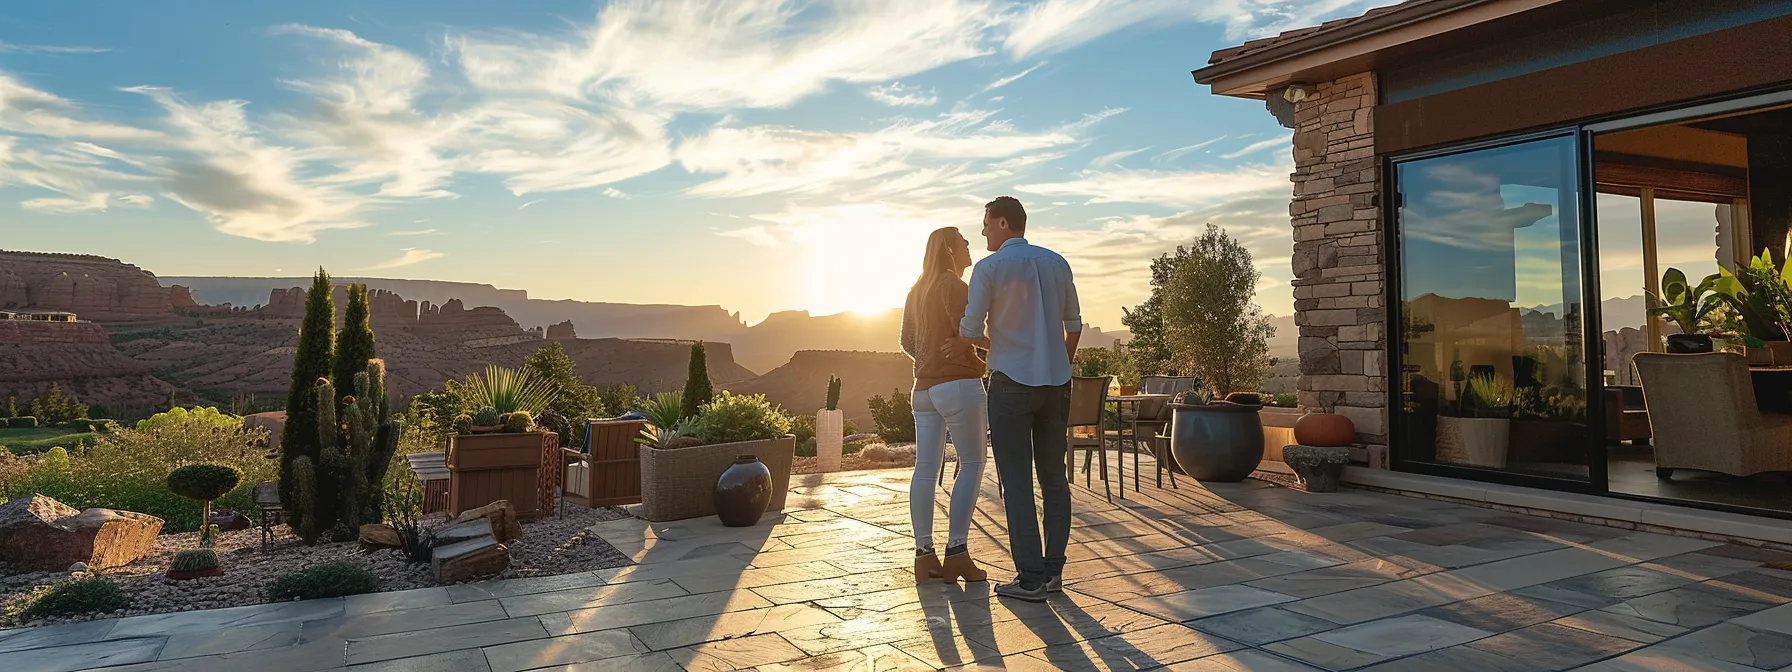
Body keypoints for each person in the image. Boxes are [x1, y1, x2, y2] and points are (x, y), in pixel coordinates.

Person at [947, 195, 1080, 603]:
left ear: (1004, 223)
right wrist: (1058, 362)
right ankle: (1053, 573)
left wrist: (991, 343)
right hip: (1057, 384)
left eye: (986, 222)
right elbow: (1073, 326)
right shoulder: (1057, 262)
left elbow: (969, 330)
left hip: (1010, 385)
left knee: (1017, 482)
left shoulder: (989, 268)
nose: (983, 230)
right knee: (1055, 479)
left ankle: (1030, 579)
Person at [900, 227, 990, 584]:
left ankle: (925, 556)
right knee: (971, 463)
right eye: (965, 243)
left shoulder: (916, 290)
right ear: (951, 251)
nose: (970, 247)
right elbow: (971, 334)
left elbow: (907, 341)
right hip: (957, 385)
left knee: (925, 469)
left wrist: (929, 354)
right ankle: (957, 552)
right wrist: (976, 346)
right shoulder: (955, 286)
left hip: (922, 389)